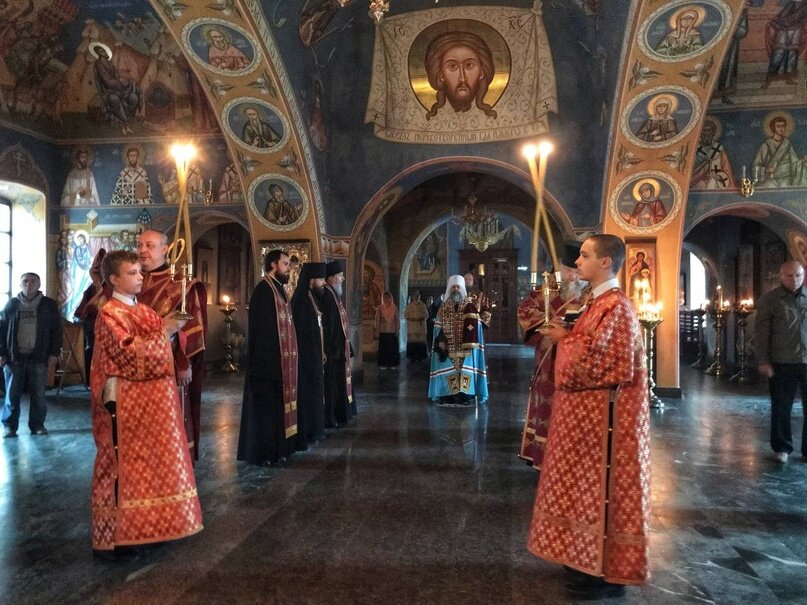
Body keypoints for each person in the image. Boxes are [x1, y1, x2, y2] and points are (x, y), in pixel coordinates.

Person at [528, 234, 649, 599]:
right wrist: (566, 337)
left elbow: (607, 363)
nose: (577, 262)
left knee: (598, 496)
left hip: (605, 428)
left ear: (605, 262)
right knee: (583, 494)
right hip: (587, 425)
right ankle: (582, 563)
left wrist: (564, 339)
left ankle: (600, 573)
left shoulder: (617, 307)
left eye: (584, 256)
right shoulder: (597, 303)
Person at [90, 250, 202, 556]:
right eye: (132, 273)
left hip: (151, 408)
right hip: (124, 408)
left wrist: (174, 335)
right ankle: (119, 539)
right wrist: (165, 331)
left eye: (140, 272)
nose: (140, 277)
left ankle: (150, 529)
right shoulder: (109, 314)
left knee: (150, 469)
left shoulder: (145, 311)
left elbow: (165, 350)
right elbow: (130, 356)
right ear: (114, 279)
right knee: (124, 469)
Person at [135, 230, 207, 461]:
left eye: (149, 245)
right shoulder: (131, 279)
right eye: (139, 245)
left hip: (168, 365)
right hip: (134, 365)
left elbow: (192, 326)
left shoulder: (180, 283)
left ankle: (175, 465)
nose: (143, 250)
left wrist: (184, 363)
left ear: (165, 249)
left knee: (170, 422)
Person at [516, 244, 585, 470]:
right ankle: (542, 454)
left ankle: (568, 455)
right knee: (546, 399)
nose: (573, 276)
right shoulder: (547, 288)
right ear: (561, 268)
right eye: (569, 271)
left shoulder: (589, 292)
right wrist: (548, 322)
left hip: (576, 357)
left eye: (576, 271)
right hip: (548, 358)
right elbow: (524, 310)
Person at [237, 249, 298, 466]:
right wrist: (272, 364)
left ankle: (279, 450)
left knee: (277, 410)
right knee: (266, 412)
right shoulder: (263, 291)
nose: (288, 269)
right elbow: (262, 332)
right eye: (285, 264)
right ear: (273, 264)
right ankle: (265, 453)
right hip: (267, 365)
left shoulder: (280, 290)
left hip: (280, 364)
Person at [755, 261, 807, 463]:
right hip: (782, 361)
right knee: (781, 407)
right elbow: (762, 334)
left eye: (798, 275)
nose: (794, 280)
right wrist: (763, 361)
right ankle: (782, 447)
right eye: (789, 276)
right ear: (780, 277)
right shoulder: (770, 300)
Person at [0, 273, 62, 438]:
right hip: (14, 358)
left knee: (39, 395)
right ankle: (9, 427)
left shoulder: (48, 305)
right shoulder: (12, 305)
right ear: (20, 285)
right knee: (12, 395)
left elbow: (57, 331)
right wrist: (1, 353)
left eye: (33, 281)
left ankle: (37, 425)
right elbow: (1, 330)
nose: (29, 284)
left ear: (39, 284)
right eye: (25, 281)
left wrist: (54, 353)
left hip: (39, 357)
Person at [428, 275, 488, 406]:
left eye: (458, 287)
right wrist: (441, 340)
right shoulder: (443, 308)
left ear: (462, 289)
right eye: (453, 287)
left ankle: (466, 395)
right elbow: (438, 328)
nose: (456, 289)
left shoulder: (469, 306)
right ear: (450, 289)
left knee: (464, 370)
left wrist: (471, 341)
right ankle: (448, 395)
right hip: (448, 347)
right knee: (449, 370)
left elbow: (477, 326)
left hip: (465, 348)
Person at [291, 262, 327, 445]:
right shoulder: (301, 299)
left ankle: (316, 429)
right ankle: (309, 431)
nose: (324, 283)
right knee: (308, 394)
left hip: (315, 355)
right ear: (312, 280)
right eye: (321, 279)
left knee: (315, 393)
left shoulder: (312, 297)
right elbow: (301, 331)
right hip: (306, 358)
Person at [423, 30, 497, 120]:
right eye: (452, 66)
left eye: (469, 65)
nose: (462, 78)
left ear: (481, 72)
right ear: (441, 75)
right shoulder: (436, 118)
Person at [321, 260, 355, 427]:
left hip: (339, 349)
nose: (343, 279)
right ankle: (336, 415)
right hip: (334, 351)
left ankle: (342, 414)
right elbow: (330, 326)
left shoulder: (334, 295)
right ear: (331, 278)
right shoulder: (328, 296)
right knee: (334, 385)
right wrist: (336, 349)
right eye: (340, 276)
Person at [90, 42, 141, 135]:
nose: (104, 52)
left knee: (133, 97)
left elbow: (117, 74)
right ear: (98, 53)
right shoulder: (99, 64)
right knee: (114, 99)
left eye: (104, 50)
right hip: (108, 91)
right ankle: (125, 122)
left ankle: (128, 122)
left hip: (118, 89)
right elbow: (107, 81)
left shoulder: (109, 63)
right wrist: (119, 82)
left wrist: (125, 77)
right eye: (101, 51)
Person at [761, 0, 807, 90]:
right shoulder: (790, 4)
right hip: (783, 30)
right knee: (778, 53)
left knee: (792, 54)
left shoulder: (805, 5)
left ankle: (789, 77)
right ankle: (768, 79)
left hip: (796, 30)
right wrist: (773, 23)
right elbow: (782, 16)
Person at [752, 116, 807, 188]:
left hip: (786, 179)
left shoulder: (787, 143)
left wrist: (803, 161)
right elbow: (755, 166)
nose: (781, 128)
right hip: (771, 179)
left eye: (783, 126)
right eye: (778, 126)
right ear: (773, 128)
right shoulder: (767, 144)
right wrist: (766, 170)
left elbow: (795, 164)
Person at [691, 118, 735, 190]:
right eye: (704, 130)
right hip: (697, 182)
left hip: (715, 182)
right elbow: (690, 171)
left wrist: (720, 176)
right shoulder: (695, 149)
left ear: (713, 132)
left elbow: (727, 170)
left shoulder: (719, 149)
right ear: (700, 133)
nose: (706, 133)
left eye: (709, 130)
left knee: (713, 184)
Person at [376, 291, 399, 369]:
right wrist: (377, 331)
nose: (386, 299)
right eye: (384, 298)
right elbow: (377, 320)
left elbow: (397, 320)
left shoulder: (395, 308)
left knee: (392, 348)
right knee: (383, 349)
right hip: (383, 331)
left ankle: (392, 364)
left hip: (392, 331)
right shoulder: (379, 308)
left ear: (390, 298)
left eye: (388, 297)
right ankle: (383, 364)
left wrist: (397, 330)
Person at [404, 290, 429, 361]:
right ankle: (412, 357)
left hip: (420, 327)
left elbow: (427, 315)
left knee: (420, 343)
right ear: (412, 297)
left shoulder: (423, 305)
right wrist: (411, 318)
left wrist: (421, 318)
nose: (416, 297)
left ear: (419, 296)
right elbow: (405, 315)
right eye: (415, 296)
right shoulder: (409, 306)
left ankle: (421, 357)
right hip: (412, 327)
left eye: (417, 296)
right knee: (412, 343)